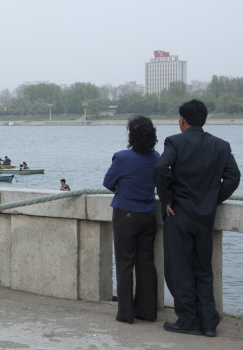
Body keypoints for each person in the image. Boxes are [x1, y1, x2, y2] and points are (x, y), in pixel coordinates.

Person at [154, 100, 240, 337]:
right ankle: (209, 323)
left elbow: (161, 168)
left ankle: (188, 320)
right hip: (205, 217)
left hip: (179, 214)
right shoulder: (221, 145)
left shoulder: (175, 141)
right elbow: (233, 177)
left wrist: (168, 198)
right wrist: (212, 199)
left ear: (182, 120)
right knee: (203, 269)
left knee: (179, 270)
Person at [103, 116, 160, 325]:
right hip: (148, 214)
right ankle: (147, 311)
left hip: (125, 214)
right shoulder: (156, 158)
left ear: (130, 135)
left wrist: (120, 186)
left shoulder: (122, 157)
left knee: (125, 263)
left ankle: (126, 313)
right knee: (146, 263)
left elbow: (108, 182)